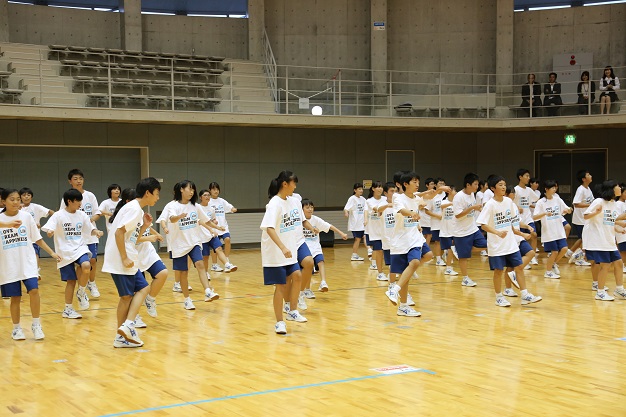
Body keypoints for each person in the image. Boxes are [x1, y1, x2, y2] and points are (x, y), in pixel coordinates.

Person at [102, 177, 160, 348]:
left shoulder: (137, 210)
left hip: (126, 254)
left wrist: (145, 226)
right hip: (122, 257)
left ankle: (124, 330)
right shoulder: (134, 209)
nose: (157, 198)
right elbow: (119, 233)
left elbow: (131, 236)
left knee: (137, 291)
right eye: (156, 194)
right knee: (129, 296)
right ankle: (127, 326)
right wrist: (124, 257)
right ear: (148, 193)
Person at [0, 189, 61, 340]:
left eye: (17, 199)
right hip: (9, 265)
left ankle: (36, 324)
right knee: (15, 297)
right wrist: (6, 224)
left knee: (34, 291)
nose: (16, 202)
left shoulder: (26, 217)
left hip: (27, 262)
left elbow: (37, 238)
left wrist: (52, 252)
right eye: (12, 199)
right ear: (3, 202)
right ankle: (16, 328)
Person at [476, 176, 542, 307]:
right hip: (496, 244)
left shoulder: (508, 202)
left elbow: (513, 221)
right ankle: (498, 297)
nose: (503, 187)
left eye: (504, 184)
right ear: (493, 188)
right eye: (500, 185)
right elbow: (483, 225)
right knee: (498, 271)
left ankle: (525, 294)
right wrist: (497, 232)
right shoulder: (490, 205)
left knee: (518, 267)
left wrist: (523, 231)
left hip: (510, 243)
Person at [43, 188, 104, 319]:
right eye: (78, 201)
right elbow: (49, 228)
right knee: (71, 281)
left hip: (80, 247)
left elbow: (90, 229)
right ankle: (68, 309)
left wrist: (96, 232)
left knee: (87, 265)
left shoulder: (82, 215)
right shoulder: (58, 215)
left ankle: (81, 292)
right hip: (64, 252)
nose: (80, 204)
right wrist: (50, 232)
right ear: (69, 201)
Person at [159, 180, 220, 310]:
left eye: (193, 190)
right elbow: (171, 219)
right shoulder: (173, 205)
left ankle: (208, 291)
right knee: (183, 273)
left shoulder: (195, 206)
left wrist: (215, 227)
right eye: (189, 189)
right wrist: (179, 216)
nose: (192, 192)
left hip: (194, 241)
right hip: (179, 244)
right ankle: (187, 299)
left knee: (200, 264)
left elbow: (206, 220)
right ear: (181, 189)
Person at [261, 171, 307, 335]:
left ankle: (293, 311)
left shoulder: (293, 202)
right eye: (293, 183)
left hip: (289, 249)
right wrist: (282, 247)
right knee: (280, 286)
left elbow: (298, 223)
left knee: (297, 276)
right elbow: (269, 228)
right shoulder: (274, 204)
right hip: (275, 252)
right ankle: (279, 322)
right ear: (285, 184)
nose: (295, 186)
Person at [112, 188, 168, 323]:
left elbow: (141, 229)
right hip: (131, 254)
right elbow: (127, 237)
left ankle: (148, 301)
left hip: (144, 252)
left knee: (161, 274)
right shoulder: (129, 212)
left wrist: (150, 228)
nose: (157, 197)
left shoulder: (139, 212)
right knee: (130, 295)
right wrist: (149, 237)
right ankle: (131, 320)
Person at [389, 171, 435, 317]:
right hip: (402, 239)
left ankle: (395, 289)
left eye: (418, 182)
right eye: (414, 182)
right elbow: (401, 210)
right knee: (411, 266)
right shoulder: (398, 197)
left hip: (415, 236)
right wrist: (411, 213)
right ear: (405, 184)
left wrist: (417, 223)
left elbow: (423, 200)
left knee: (428, 255)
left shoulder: (416, 198)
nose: (417, 184)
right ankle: (402, 304)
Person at [60, 169, 101, 299]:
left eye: (80, 179)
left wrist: (88, 221)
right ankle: (81, 288)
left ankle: (91, 283)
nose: (78, 181)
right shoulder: (67, 198)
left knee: (92, 260)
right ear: (70, 181)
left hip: (90, 233)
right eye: (75, 179)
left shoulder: (90, 196)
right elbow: (61, 214)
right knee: (82, 264)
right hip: (75, 236)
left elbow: (97, 213)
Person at [583, 180, 626, 301]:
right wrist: (595, 212)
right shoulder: (599, 201)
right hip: (599, 241)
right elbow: (586, 216)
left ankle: (619, 289)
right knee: (605, 266)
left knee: (618, 263)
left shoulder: (613, 204)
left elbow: (610, 222)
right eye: (618, 186)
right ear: (611, 189)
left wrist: (618, 229)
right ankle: (600, 292)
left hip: (609, 240)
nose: (620, 188)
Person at [301, 198, 348, 292]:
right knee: (308, 268)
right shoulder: (299, 221)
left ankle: (323, 282)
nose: (310, 209)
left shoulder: (316, 220)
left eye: (311, 207)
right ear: (302, 210)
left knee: (321, 262)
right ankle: (307, 289)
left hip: (315, 246)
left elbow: (329, 226)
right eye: (307, 207)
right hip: (304, 247)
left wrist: (341, 233)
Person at [533, 180, 572, 279]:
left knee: (564, 249)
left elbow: (569, 209)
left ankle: (553, 263)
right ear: (546, 189)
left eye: (555, 187)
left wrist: (568, 210)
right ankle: (548, 271)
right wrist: (545, 213)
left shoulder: (557, 199)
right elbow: (534, 217)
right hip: (549, 232)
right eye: (552, 188)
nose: (554, 189)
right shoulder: (541, 202)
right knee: (554, 252)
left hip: (559, 230)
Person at [453, 173, 487, 287]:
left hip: (472, 228)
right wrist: (472, 207)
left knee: (486, 245)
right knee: (464, 258)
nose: (477, 186)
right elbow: (458, 215)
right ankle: (465, 278)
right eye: (475, 184)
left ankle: (462, 249)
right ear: (468, 184)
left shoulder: (472, 194)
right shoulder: (458, 197)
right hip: (461, 232)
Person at [198, 189, 236, 278]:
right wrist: (215, 227)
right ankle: (206, 273)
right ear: (200, 197)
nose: (207, 197)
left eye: (208, 195)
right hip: (202, 236)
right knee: (205, 257)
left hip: (212, 234)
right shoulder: (198, 208)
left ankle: (227, 264)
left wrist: (215, 223)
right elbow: (202, 222)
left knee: (219, 248)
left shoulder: (211, 209)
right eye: (205, 195)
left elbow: (212, 220)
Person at [19, 187, 54, 277]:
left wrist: (58, 218)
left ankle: (36, 271)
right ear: (20, 197)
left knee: (35, 253)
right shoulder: (17, 208)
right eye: (24, 195)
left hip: (34, 237)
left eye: (28, 195)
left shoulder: (36, 207)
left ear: (31, 197)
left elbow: (50, 212)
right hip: (21, 237)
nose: (26, 197)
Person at [207, 182, 238, 273]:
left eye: (217, 189)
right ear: (210, 190)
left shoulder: (222, 201)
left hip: (223, 227)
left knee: (227, 239)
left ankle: (226, 260)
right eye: (214, 189)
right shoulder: (209, 201)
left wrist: (233, 209)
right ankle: (214, 264)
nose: (216, 191)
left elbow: (229, 207)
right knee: (215, 247)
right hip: (214, 228)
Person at [568, 169, 594, 267]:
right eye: (588, 175)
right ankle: (579, 258)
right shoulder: (581, 189)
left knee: (583, 238)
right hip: (580, 219)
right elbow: (576, 203)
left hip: (585, 218)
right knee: (584, 239)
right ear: (584, 179)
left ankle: (571, 252)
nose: (591, 176)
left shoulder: (588, 188)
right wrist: (589, 205)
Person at [514, 169, 539, 268]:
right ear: (520, 177)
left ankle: (531, 256)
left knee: (534, 235)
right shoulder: (516, 190)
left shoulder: (529, 190)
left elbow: (536, 199)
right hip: (518, 219)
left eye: (529, 176)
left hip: (528, 217)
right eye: (527, 176)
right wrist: (516, 207)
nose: (528, 178)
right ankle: (521, 259)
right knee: (520, 239)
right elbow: (509, 202)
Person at [424, 178, 447, 267]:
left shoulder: (447, 195)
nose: (442, 185)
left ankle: (445, 254)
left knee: (448, 241)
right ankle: (438, 259)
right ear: (436, 186)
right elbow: (427, 211)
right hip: (436, 223)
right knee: (437, 241)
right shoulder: (433, 197)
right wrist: (438, 216)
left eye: (443, 183)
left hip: (447, 223)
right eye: (440, 183)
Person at [365, 181, 385, 279]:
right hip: (375, 231)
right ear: (373, 189)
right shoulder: (369, 201)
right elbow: (377, 209)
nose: (380, 189)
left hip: (386, 230)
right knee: (379, 251)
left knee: (388, 252)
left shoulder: (385, 199)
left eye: (381, 187)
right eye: (378, 187)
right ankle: (380, 273)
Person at [344, 183, 367, 261]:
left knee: (364, 237)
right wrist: (346, 212)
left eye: (361, 189)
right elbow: (346, 208)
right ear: (355, 190)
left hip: (363, 222)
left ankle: (370, 252)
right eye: (359, 189)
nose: (361, 190)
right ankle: (354, 255)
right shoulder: (352, 198)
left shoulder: (363, 199)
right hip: (356, 223)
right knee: (358, 239)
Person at [439, 185, 459, 276]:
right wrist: (451, 204)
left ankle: (448, 267)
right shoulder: (444, 201)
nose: (456, 193)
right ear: (449, 192)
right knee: (449, 249)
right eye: (455, 191)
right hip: (445, 230)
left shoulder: (458, 203)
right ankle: (447, 267)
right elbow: (442, 206)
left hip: (454, 230)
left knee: (451, 249)